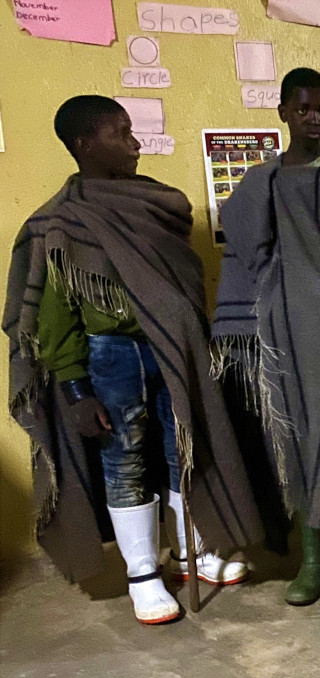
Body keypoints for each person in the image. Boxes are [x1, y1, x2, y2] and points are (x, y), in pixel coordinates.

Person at [4, 96, 260, 624]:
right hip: (109, 359)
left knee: (182, 448)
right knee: (123, 460)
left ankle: (192, 551)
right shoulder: (61, 222)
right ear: (85, 145)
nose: (135, 143)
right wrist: (76, 389)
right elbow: (54, 318)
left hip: (172, 349)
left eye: (132, 131)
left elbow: (180, 285)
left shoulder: (158, 205)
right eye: (121, 133)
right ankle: (143, 573)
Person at [211, 68, 320, 605]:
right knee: (300, 434)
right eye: (303, 108)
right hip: (287, 329)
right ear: (282, 112)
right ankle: (314, 556)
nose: (315, 117)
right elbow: (245, 254)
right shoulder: (261, 182)